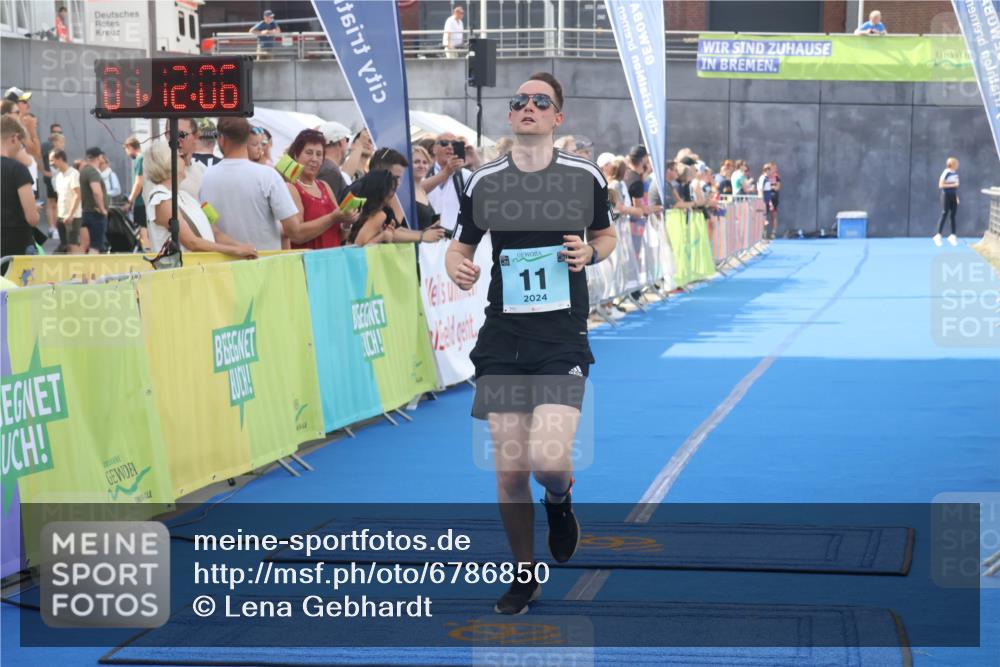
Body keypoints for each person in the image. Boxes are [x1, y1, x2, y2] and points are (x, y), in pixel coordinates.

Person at [444, 72, 616, 615]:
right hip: (503, 339)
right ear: (511, 113)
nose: (529, 107)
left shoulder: (584, 176)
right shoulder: (484, 181)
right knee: (511, 470)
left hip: (561, 337)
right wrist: (457, 268)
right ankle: (524, 572)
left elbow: (606, 235)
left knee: (547, 462)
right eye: (520, 100)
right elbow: (460, 247)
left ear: (557, 117)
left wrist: (591, 253)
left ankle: (559, 500)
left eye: (541, 101)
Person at [200, 117, 324, 251]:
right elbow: (294, 230)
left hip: (223, 261)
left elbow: (209, 226)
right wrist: (333, 217)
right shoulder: (268, 176)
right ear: (247, 139)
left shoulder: (206, 176)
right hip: (264, 260)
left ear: (221, 139)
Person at [143, 140, 257, 258]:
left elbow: (215, 233)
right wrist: (236, 250)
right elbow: (191, 242)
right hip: (185, 269)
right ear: (168, 162)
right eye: (180, 156)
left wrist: (242, 247)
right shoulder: (162, 200)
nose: (184, 160)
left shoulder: (185, 197)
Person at [284, 128, 358, 249]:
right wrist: (332, 218)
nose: (314, 159)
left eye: (319, 154)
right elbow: (296, 234)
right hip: (308, 259)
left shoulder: (324, 186)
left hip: (332, 257)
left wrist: (346, 223)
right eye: (309, 153)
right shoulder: (291, 188)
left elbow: (340, 236)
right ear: (297, 155)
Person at [1, 115, 40, 255]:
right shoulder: (18, 169)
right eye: (21, 143)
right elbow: (32, 219)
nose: (21, 148)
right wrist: (34, 209)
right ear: (14, 138)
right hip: (16, 246)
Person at [423, 132, 472, 233]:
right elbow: (417, 191)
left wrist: (477, 163)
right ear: (434, 149)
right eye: (444, 143)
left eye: (454, 144)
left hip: (456, 239)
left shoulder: (465, 175)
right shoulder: (423, 174)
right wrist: (446, 172)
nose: (449, 147)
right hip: (427, 238)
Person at [49, 148, 82, 254]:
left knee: (73, 244)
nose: (51, 164)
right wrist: (58, 216)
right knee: (65, 245)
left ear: (60, 159)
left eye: (52, 160)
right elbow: (60, 197)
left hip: (73, 217)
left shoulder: (73, 174)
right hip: (61, 217)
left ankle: (78, 265)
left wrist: (70, 215)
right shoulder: (58, 177)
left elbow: (77, 195)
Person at [79, 147, 109, 253]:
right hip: (95, 213)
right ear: (99, 157)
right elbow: (96, 191)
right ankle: (93, 264)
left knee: (84, 245)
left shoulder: (83, 171)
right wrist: (102, 209)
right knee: (95, 245)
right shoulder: (93, 172)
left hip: (85, 212)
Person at [123, 136, 149, 250]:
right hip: (147, 201)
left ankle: (147, 251)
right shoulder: (145, 158)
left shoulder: (140, 159)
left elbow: (139, 183)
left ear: (130, 147)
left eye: (126, 150)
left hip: (141, 202)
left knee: (143, 230)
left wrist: (130, 201)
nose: (127, 153)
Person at [317, 121, 352, 197]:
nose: (348, 145)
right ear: (341, 142)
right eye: (347, 140)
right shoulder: (331, 171)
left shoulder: (322, 165)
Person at [42, 131, 66, 231]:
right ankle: (54, 227)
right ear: (55, 142)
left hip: (54, 178)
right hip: (54, 179)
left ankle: (53, 227)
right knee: (54, 203)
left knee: (53, 202)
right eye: (61, 142)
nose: (63, 144)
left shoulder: (51, 152)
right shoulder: (53, 152)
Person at [411, 144, 438, 230]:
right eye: (416, 162)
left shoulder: (421, 190)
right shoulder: (403, 192)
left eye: (425, 162)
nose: (421, 166)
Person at [934, 157, 960, 247]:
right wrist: (953, 184)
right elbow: (941, 185)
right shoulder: (946, 172)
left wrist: (956, 196)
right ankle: (938, 235)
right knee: (945, 212)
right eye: (956, 163)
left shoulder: (955, 173)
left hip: (953, 195)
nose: (958, 165)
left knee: (953, 215)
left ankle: (953, 235)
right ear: (952, 164)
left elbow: (955, 187)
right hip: (946, 195)